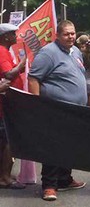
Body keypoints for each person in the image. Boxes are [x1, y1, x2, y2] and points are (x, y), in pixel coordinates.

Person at [28, 20, 87, 202]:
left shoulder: (76, 51)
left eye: (73, 33)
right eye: (66, 34)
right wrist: (38, 105)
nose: (71, 37)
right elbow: (33, 79)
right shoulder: (48, 53)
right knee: (53, 147)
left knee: (69, 147)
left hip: (75, 111)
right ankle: (49, 186)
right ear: (57, 35)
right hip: (55, 111)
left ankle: (64, 179)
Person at [0, 23, 26, 189]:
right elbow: (8, 74)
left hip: (8, 103)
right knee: (9, 141)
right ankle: (5, 177)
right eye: (13, 34)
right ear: (5, 37)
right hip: (5, 105)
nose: (16, 36)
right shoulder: (2, 52)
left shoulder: (6, 51)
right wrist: (22, 65)